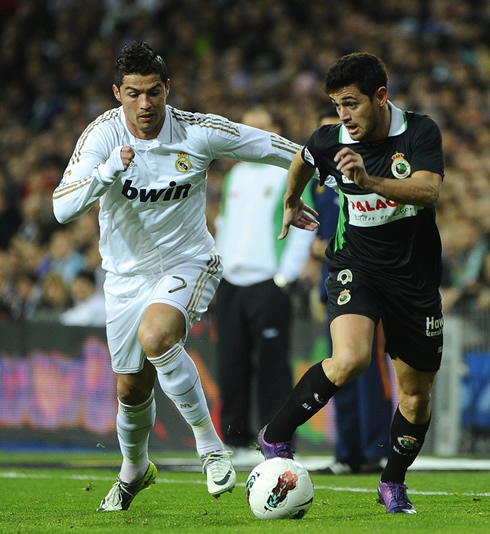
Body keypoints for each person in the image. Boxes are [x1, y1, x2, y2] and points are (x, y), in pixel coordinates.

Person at [52, 41, 312, 512]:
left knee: (157, 336)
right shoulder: (102, 137)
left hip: (188, 262)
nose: (145, 104)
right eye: (133, 94)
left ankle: (210, 447)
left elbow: (269, 147)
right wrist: (109, 171)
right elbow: (61, 207)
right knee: (131, 389)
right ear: (117, 93)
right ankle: (134, 469)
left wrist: (324, 166)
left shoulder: (197, 131)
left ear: (168, 88)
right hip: (124, 277)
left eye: (154, 92)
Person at [257, 52, 445, 514]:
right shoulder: (330, 140)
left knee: (417, 395)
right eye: (337, 104)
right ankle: (276, 437)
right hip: (355, 264)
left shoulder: (420, 132)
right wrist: (290, 199)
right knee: (351, 358)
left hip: (413, 277)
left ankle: (392, 482)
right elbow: (302, 159)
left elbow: (427, 190)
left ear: (380, 97)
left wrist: (370, 179)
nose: (344, 115)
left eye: (351, 103)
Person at [213, 107, 316, 462]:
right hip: (231, 282)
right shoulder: (235, 175)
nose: (252, 134)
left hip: (267, 281)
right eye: (247, 128)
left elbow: (305, 227)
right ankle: (235, 439)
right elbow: (225, 225)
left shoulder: (289, 172)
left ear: (275, 130)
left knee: (273, 366)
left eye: (261, 127)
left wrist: (284, 277)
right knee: (230, 363)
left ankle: (276, 439)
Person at [311, 108, 392, 475]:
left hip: (368, 282)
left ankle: (375, 448)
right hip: (334, 283)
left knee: (370, 370)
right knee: (337, 369)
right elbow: (317, 238)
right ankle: (346, 454)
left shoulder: (368, 171)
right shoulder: (319, 183)